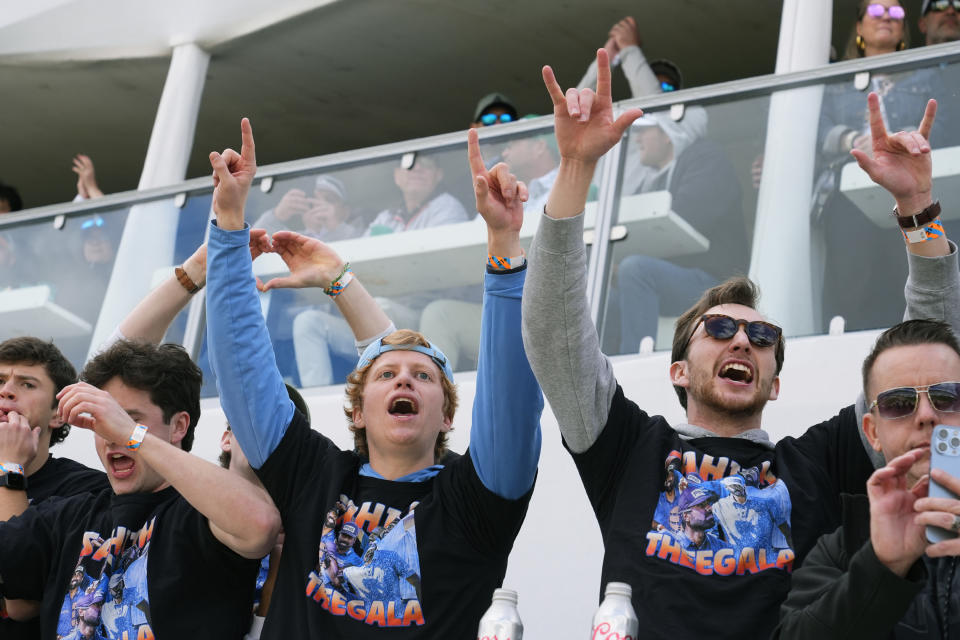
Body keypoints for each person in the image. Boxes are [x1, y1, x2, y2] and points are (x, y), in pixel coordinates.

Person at [522, 48, 957, 637]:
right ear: (678, 371)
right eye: (721, 329)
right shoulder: (628, 448)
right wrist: (574, 169)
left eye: (762, 336)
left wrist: (914, 206)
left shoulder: (816, 464)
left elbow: (929, 348)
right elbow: (555, 334)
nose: (743, 342)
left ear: (774, 381)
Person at [205, 119, 542, 636]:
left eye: (423, 377)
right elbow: (243, 370)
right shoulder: (313, 478)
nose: (404, 380)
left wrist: (503, 244)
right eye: (386, 373)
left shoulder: (477, 501)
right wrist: (228, 226)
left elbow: (513, 399)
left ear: (448, 413)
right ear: (358, 410)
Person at [0, 337, 281, 639]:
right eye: (101, 420)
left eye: (126, 418)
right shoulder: (69, 514)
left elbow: (260, 524)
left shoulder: (199, 515)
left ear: (178, 426)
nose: (110, 434)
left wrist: (130, 434)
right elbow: (16, 587)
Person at [775, 319, 960, 638]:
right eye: (899, 403)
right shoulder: (841, 549)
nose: (927, 415)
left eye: (946, 397)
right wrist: (882, 566)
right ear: (873, 432)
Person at [292, 152, 469, 387]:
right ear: (397, 177)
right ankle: (318, 404)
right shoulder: (386, 217)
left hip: (424, 316)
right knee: (308, 321)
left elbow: (430, 264)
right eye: (408, 166)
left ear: (439, 175)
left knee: (382, 307)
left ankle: (382, 396)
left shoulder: (447, 207)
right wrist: (330, 230)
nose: (416, 170)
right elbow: (354, 263)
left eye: (425, 165)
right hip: (379, 317)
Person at [418, 133, 559, 371]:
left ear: (539, 147)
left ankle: (435, 404)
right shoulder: (519, 191)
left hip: (552, 316)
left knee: (439, 314)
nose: (504, 153)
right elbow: (470, 241)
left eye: (512, 143)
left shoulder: (567, 188)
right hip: (510, 307)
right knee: (434, 313)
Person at [614, 112, 746, 350]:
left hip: (716, 284)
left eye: (644, 131)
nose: (636, 139)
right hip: (674, 280)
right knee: (605, 296)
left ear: (667, 133)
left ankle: (627, 365)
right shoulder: (653, 179)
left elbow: (685, 220)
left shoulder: (707, 158)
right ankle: (597, 373)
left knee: (634, 269)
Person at [253, 174, 360, 242]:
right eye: (315, 198)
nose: (320, 204)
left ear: (345, 212)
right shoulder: (291, 239)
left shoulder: (356, 234)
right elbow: (251, 246)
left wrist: (336, 228)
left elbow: (362, 247)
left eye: (329, 200)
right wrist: (277, 215)